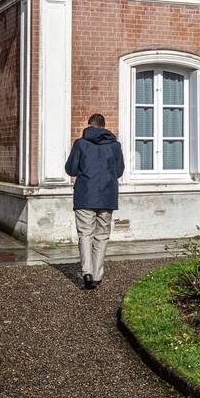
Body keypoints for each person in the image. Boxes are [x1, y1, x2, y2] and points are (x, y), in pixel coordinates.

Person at [65, 113, 125, 290]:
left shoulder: (80, 144)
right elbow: (119, 171)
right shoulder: (115, 146)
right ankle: (97, 275)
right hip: (107, 195)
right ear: (104, 126)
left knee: (85, 234)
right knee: (102, 235)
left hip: (85, 195)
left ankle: (87, 272)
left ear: (89, 125)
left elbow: (71, 169)